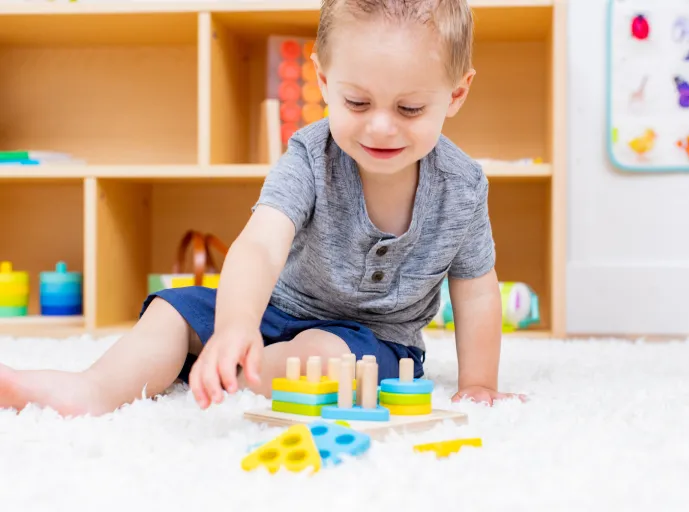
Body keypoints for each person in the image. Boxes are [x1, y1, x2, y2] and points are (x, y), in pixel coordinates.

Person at [0, 0, 523, 418]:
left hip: (372, 343)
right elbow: (261, 242)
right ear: (322, 81)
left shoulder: (463, 186)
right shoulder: (308, 155)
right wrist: (235, 323)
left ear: (456, 94)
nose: (380, 127)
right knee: (172, 309)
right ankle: (95, 388)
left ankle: (223, 369)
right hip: (273, 309)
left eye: (409, 109)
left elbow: (475, 289)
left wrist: (479, 383)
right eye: (357, 103)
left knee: (325, 359)